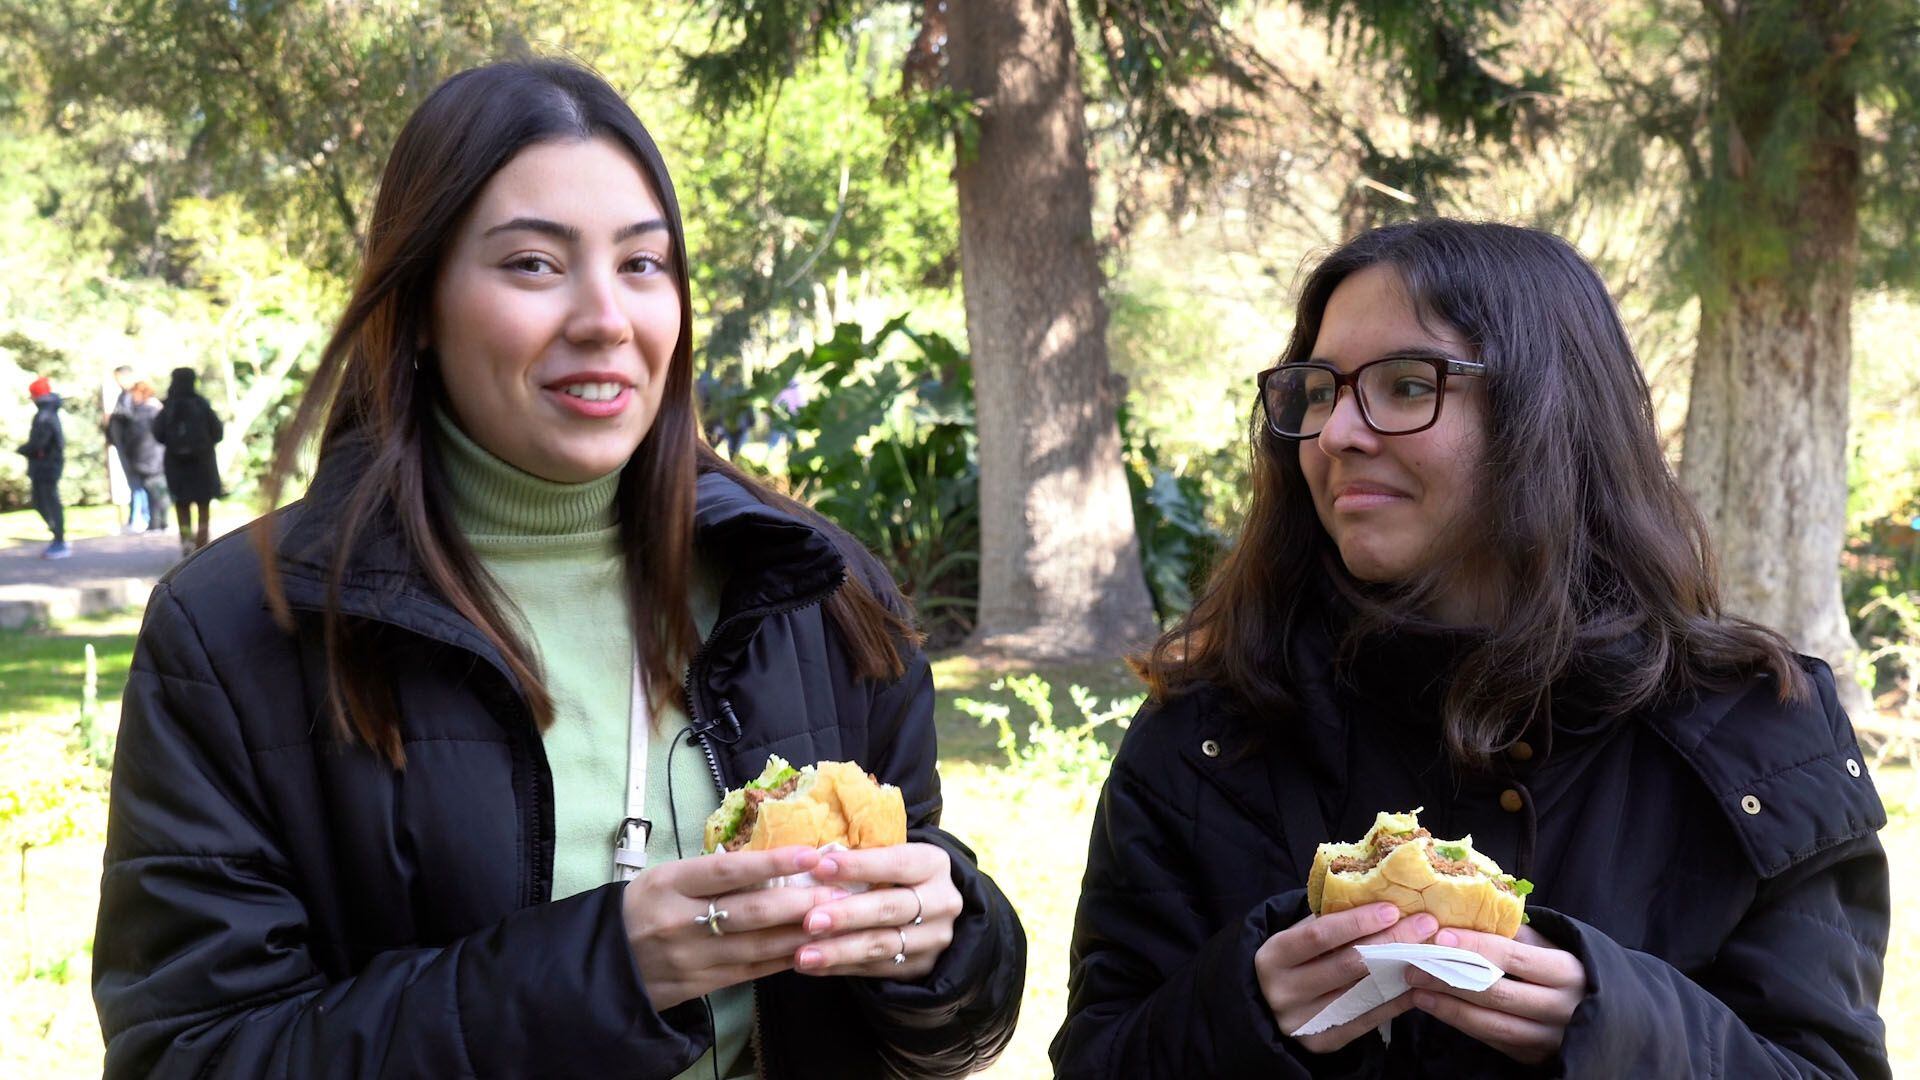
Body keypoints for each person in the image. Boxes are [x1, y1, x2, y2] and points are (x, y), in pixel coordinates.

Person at [93, 59, 1024, 1079]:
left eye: (642, 265)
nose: (605, 319)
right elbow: (193, 1053)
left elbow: (943, 1007)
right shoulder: (238, 632)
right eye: (534, 264)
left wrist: (943, 937)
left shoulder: (814, 586)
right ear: (416, 312)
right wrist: (608, 972)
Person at [1052, 220, 1889, 1078]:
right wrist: (1244, 1015)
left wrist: (1614, 1025)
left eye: (1408, 384)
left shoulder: (1755, 731)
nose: (1337, 434)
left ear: (1550, 411)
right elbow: (1097, 1060)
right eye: (1320, 390)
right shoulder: (1209, 733)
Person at [154, 366, 223, 555]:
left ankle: (186, 542)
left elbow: (158, 434)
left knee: (181, 505)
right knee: (203, 505)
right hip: (202, 464)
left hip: (176, 466)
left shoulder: (168, 407)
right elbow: (218, 432)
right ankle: (202, 545)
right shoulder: (201, 404)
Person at [17, 375, 68, 558]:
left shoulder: (45, 415)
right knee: (41, 502)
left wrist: (24, 449)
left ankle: (59, 540)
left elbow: (40, 443)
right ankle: (57, 537)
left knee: (48, 502)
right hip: (45, 464)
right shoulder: (47, 413)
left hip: (47, 465)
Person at [103, 365, 149, 532]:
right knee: (133, 483)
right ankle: (135, 517)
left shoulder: (133, 396)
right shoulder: (123, 396)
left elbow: (134, 422)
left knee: (138, 483)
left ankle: (141, 517)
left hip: (133, 447)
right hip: (124, 445)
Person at [121, 380, 171, 532]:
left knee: (153, 492)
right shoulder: (157, 410)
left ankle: (156, 524)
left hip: (147, 458)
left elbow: (134, 437)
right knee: (158, 491)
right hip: (157, 457)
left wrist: (129, 452)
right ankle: (160, 523)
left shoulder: (143, 412)